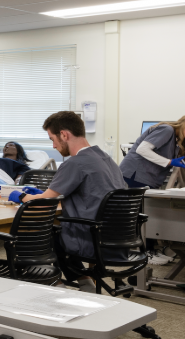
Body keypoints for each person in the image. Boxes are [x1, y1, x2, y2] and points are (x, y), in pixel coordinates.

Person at [14, 111, 127, 263]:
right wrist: (44, 194)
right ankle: (84, 282)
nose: (53, 146)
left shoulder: (75, 163)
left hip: (89, 241)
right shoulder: (106, 158)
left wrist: (19, 196)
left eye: (53, 139)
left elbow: (40, 205)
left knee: (32, 232)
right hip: (117, 240)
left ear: (64, 135)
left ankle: (65, 283)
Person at [119, 113, 185, 189]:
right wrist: (169, 162)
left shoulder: (177, 141)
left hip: (148, 180)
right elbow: (142, 149)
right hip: (134, 176)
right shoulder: (167, 130)